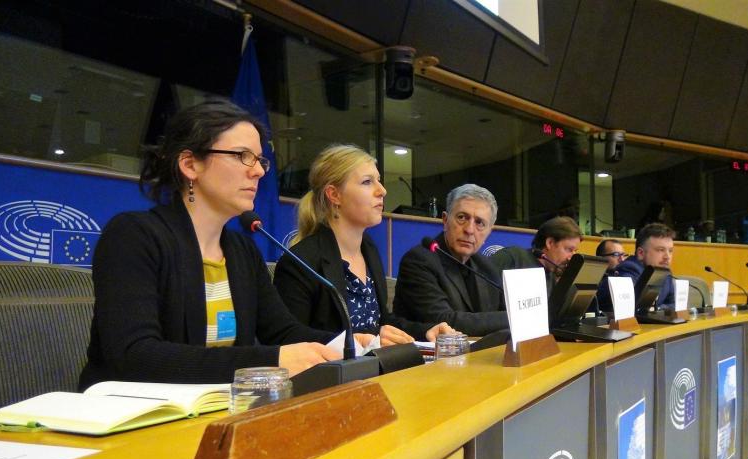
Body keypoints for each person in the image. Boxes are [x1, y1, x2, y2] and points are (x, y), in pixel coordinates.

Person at [79, 100, 340, 390]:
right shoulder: (134, 236)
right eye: (243, 156)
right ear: (190, 164)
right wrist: (271, 360)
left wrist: (355, 343)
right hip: (131, 419)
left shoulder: (242, 251)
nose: (259, 172)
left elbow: (283, 332)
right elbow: (135, 356)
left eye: (260, 160)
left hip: (217, 413)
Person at [274, 144, 452, 344]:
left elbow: (381, 323)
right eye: (367, 182)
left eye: (379, 181)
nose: (382, 191)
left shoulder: (368, 249)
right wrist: (353, 343)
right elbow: (289, 340)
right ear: (334, 195)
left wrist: (425, 331)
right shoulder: (300, 262)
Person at [393, 184, 508, 337]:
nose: (469, 230)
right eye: (462, 218)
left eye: (479, 223)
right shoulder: (419, 261)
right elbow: (444, 321)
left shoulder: (487, 267)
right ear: (445, 220)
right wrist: (516, 317)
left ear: (489, 231)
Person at [596, 223, 676, 312]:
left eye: (670, 251)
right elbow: (634, 310)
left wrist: (658, 309)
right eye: (660, 250)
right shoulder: (629, 270)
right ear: (641, 253)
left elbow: (673, 306)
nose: (667, 256)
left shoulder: (665, 273)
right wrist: (659, 310)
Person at [490, 216, 582, 293]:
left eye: (575, 251)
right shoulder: (513, 258)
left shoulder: (552, 277)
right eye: (569, 249)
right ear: (550, 243)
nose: (571, 258)